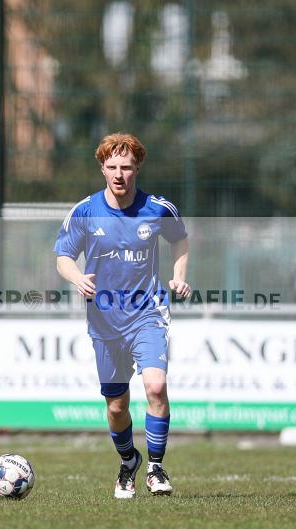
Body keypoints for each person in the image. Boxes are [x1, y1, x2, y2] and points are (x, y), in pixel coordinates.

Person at [54, 132, 191, 499]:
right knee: (116, 406)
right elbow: (63, 256)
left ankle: (156, 468)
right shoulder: (85, 211)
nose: (119, 174)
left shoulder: (157, 208)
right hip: (105, 320)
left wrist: (178, 277)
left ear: (137, 168)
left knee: (156, 387)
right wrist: (77, 277)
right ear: (102, 167)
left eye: (126, 167)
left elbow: (179, 238)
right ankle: (128, 460)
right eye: (112, 166)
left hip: (148, 312)